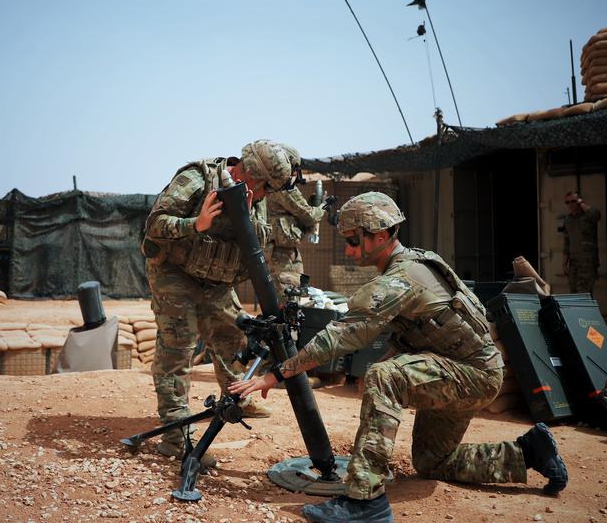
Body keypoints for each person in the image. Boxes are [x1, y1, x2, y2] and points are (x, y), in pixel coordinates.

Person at [230, 192, 568, 523]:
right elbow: (418, 332)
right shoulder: (417, 261)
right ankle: (530, 452)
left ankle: (366, 501)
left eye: (352, 240)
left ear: (379, 235)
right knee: (432, 462)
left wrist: (276, 374)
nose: (348, 250)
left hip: (472, 374)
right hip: (470, 368)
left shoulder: (399, 279)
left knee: (384, 375)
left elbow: (344, 335)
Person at [141, 139, 296, 468]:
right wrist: (194, 225)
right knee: (178, 346)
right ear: (253, 176)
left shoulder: (254, 195)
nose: (269, 194)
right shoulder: (197, 180)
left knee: (232, 336)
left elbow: (261, 238)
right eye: (268, 187)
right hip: (175, 272)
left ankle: (236, 395)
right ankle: (175, 438)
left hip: (216, 279)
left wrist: (248, 215)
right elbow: (154, 224)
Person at [264, 146, 325, 299]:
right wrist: (323, 207)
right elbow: (310, 215)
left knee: (283, 298)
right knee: (292, 300)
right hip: (283, 257)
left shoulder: (263, 186)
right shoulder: (283, 188)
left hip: (269, 252)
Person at [562, 191, 601, 294]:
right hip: (573, 263)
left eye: (573, 201)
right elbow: (567, 242)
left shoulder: (587, 216)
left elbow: (596, 215)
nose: (570, 204)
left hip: (587, 261)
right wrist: (564, 263)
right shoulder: (567, 220)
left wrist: (580, 203)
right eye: (567, 202)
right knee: (574, 294)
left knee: (584, 293)